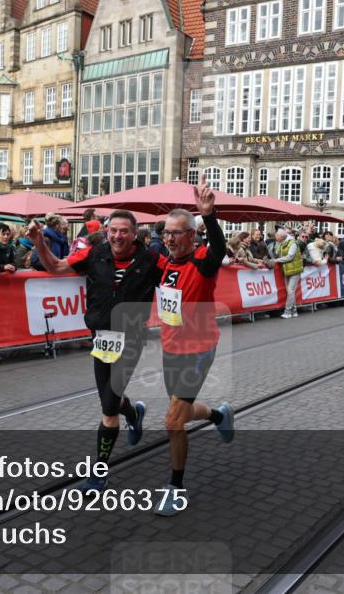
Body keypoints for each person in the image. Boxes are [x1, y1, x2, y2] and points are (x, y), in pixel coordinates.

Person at [28, 208, 161, 491]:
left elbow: (180, 278)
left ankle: (99, 471)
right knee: (109, 401)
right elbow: (56, 267)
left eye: (124, 231)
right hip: (101, 338)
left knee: (109, 409)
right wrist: (39, 242)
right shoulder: (95, 253)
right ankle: (133, 414)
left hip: (131, 339)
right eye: (113, 230)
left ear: (134, 234)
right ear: (107, 231)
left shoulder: (151, 258)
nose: (117, 236)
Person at [153, 181, 234, 516]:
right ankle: (219, 415)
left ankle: (175, 487)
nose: (170, 238)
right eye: (166, 233)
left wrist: (209, 216)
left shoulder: (203, 260)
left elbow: (219, 248)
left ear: (191, 235)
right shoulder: (163, 264)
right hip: (170, 348)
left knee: (173, 420)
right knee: (182, 413)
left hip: (199, 348)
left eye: (176, 233)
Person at [272, 228, 304, 319]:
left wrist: (276, 260)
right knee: (290, 291)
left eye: (277, 237)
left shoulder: (293, 243)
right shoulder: (280, 243)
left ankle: (288, 311)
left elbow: (290, 257)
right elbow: (277, 253)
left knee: (290, 291)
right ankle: (294, 310)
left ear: (281, 237)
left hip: (295, 269)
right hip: (286, 269)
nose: (276, 238)